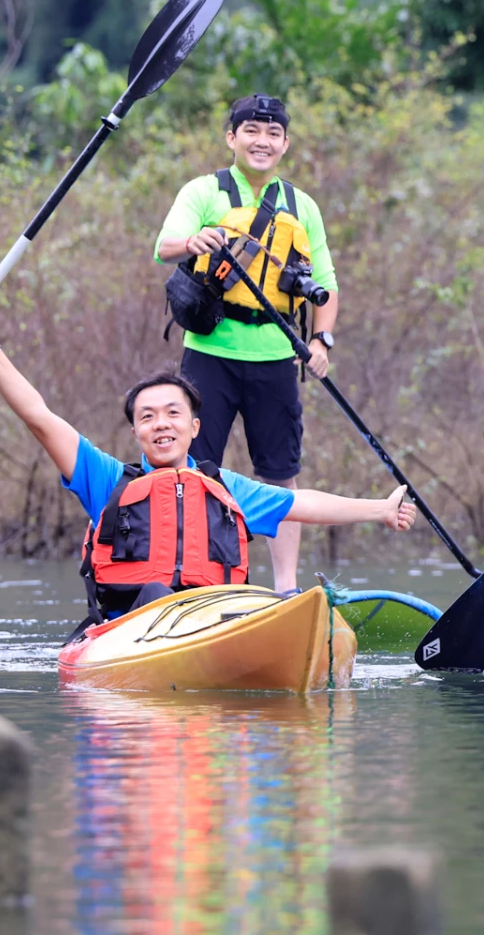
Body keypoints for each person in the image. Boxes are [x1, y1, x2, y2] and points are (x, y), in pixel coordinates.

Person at [0, 297, 410, 631]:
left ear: (194, 426)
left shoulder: (225, 488)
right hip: (134, 626)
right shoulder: (107, 479)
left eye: (173, 414)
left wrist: (379, 510)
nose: (160, 424)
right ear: (136, 433)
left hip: (213, 620)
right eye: (147, 417)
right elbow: (40, 418)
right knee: (154, 594)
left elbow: (302, 503)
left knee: (252, 604)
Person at [154, 93, 339, 594]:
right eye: (251, 131)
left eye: (273, 133)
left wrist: (320, 340)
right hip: (209, 352)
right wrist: (198, 240)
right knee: (195, 471)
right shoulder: (204, 191)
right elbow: (163, 247)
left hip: (277, 354)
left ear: (285, 143)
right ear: (231, 137)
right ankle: (193, 583)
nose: (262, 141)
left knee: (280, 474)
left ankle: (285, 588)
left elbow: (325, 283)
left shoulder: (302, 205)